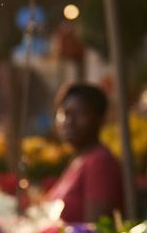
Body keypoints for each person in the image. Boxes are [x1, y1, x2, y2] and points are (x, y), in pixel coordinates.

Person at [44, 81, 125, 222]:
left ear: (100, 119)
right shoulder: (79, 159)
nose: (69, 121)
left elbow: (94, 230)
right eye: (64, 113)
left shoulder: (100, 162)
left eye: (80, 113)